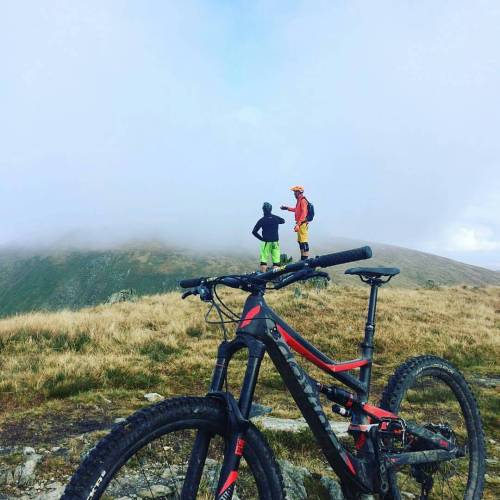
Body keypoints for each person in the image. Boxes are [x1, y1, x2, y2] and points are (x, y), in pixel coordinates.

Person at [252, 202, 285, 272]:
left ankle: (263, 278)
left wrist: (261, 239)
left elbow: (254, 232)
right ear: (271, 209)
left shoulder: (262, 220)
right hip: (275, 242)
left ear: (263, 210)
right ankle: (275, 279)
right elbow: (283, 221)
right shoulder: (275, 218)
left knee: (263, 261)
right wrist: (273, 217)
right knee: (276, 262)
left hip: (266, 242)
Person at [280, 186, 309, 260]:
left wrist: (298, 224)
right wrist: (287, 208)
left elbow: (304, 213)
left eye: (295, 192)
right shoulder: (299, 200)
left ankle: (305, 259)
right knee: (300, 241)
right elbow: (297, 210)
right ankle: (303, 258)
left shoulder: (302, 200)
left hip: (302, 224)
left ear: (299, 192)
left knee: (304, 241)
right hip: (300, 223)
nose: (294, 194)